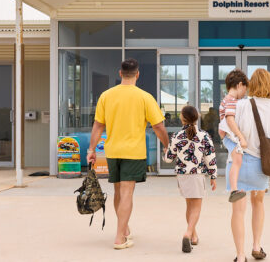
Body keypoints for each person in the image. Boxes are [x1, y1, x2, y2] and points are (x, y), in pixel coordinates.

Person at [87, 58, 169, 250]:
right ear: (137, 74)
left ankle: (124, 229)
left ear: (120, 73)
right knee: (127, 193)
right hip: (133, 151)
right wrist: (167, 145)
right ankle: (119, 238)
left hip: (113, 150)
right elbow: (158, 126)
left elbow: (98, 125)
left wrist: (91, 150)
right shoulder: (145, 97)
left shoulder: (106, 96)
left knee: (118, 192)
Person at [229, 68, 270, 262]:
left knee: (238, 209)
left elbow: (228, 131)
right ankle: (256, 246)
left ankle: (240, 255)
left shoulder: (241, 105)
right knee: (258, 203)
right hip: (262, 163)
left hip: (240, 161)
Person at [163, 105, 217, 253]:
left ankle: (193, 236)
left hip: (182, 175)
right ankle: (188, 233)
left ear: (182, 118)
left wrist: (166, 152)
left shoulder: (176, 136)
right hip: (197, 174)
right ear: (196, 118)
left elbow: (168, 159)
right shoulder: (204, 135)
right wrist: (213, 176)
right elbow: (210, 158)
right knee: (196, 207)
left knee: (189, 206)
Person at [218, 69, 249, 203]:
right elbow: (230, 120)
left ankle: (234, 188)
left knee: (236, 160)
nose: (244, 93)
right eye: (245, 89)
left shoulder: (227, 99)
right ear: (240, 85)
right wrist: (241, 137)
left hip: (228, 136)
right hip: (230, 136)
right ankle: (233, 189)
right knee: (236, 160)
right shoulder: (231, 100)